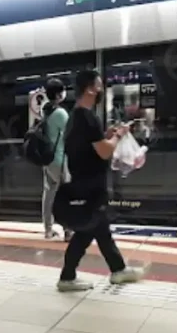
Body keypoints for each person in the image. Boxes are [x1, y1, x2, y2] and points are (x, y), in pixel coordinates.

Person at [56, 69, 143, 292]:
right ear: (90, 88)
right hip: (91, 184)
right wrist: (118, 135)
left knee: (92, 229)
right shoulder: (87, 116)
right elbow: (104, 152)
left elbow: (90, 145)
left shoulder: (76, 116)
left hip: (82, 182)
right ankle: (114, 271)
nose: (102, 89)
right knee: (94, 226)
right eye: (99, 85)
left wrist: (106, 135)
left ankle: (109, 271)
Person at [41, 79, 70, 240]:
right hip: (59, 160)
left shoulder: (44, 110)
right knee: (65, 196)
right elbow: (69, 136)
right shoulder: (61, 113)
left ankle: (48, 230)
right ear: (59, 94)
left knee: (49, 194)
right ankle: (68, 231)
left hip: (46, 159)